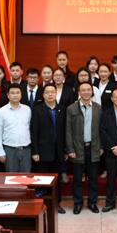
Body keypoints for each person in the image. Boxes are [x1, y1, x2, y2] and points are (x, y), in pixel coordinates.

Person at [66, 81, 103, 214]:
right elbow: (68, 130)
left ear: (92, 92)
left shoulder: (98, 108)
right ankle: (78, 203)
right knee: (77, 179)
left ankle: (92, 203)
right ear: (79, 92)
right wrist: (70, 149)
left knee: (93, 179)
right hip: (77, 149)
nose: (86, 92)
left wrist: (101, 146)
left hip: (93, 148)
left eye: (88, 90)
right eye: (83, 90)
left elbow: (102, 129)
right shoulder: (71, 108)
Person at [31, 83, 66, 214]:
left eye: (52, 92)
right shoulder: (37, 110)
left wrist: (65, 150)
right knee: (42, 180)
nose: (50, 94)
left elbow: (65, 131)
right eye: (47, 92)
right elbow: (34, 132)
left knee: (57, 180)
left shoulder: (63, 109)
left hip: (58, 150)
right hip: (42, 151)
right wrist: (35, 151)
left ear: (56, 93)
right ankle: (42, 205)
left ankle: (57, 204)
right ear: (43, 94)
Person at [0, 84, 32, 172]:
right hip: (9, 150)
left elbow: (30, 128)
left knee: (26, 177)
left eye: (17, 93)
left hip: (26, 149)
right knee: (11, 177)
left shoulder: (27, 109)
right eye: (12, 93)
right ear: (8, 95)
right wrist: (0, 151)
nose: (15, 95)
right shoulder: (1, 111)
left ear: (21, 95)